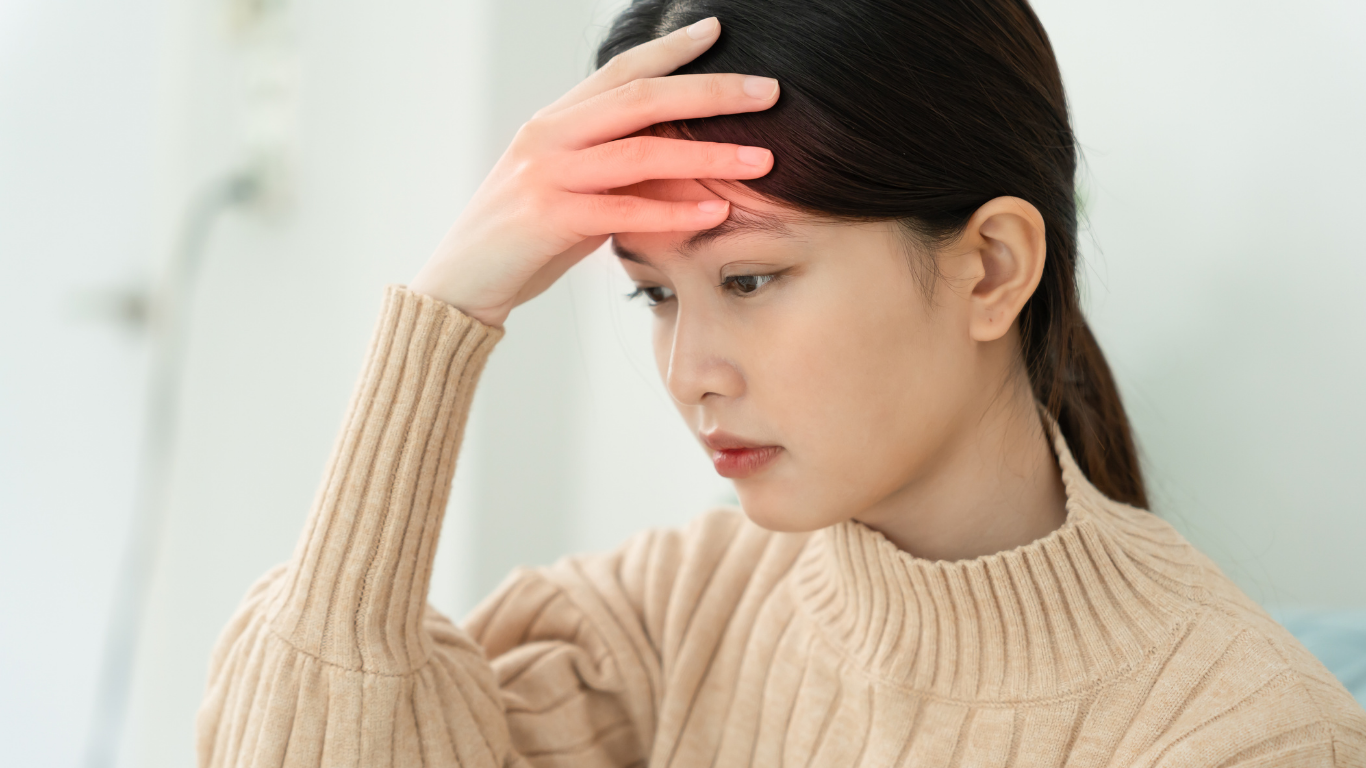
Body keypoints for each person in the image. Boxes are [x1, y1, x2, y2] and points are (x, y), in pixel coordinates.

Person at [196, 1, 1366, 765]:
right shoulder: (677, 615)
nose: (689, 373)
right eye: (653, 292)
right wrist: (448, 314)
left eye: (748, 280)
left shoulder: (1237, 734)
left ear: (990, 268)